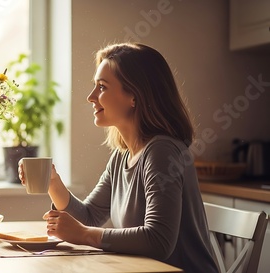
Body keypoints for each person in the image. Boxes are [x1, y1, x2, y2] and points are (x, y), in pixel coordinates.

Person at [19, 43, 219, 273]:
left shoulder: (161, 152)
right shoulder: (121, 156)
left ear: (134, 96)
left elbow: (158, 240)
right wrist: (52, 182)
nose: (90, 97)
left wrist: (83, 235)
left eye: (102, 87)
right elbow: (89, 216)